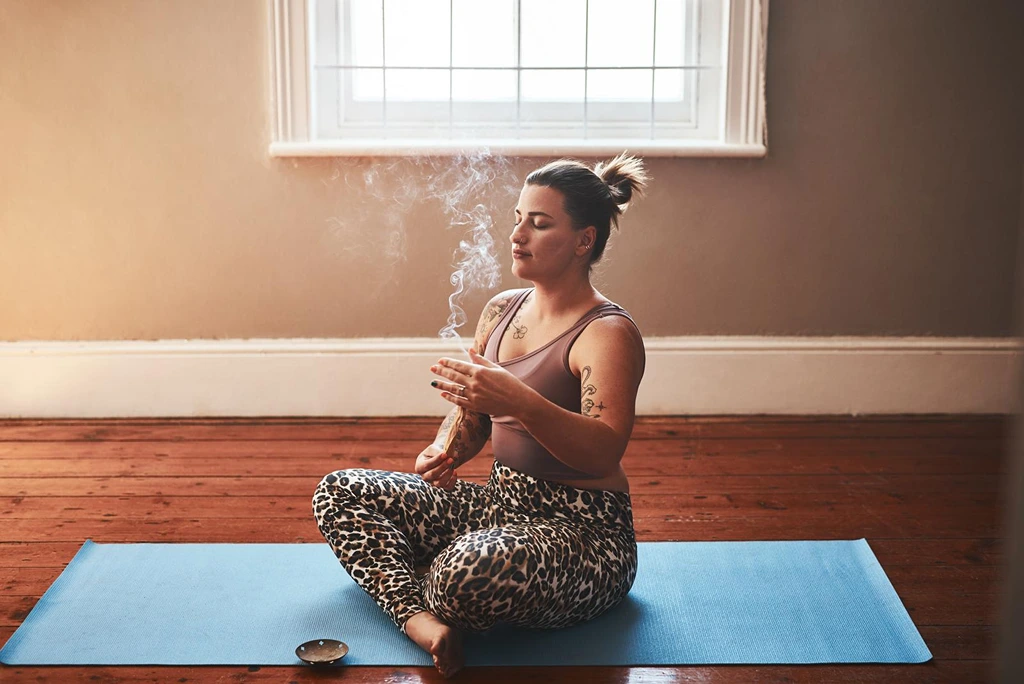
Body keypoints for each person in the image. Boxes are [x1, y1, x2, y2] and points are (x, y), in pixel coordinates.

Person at [312, 153, 648, 678]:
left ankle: (418, 582)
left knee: (466, 573)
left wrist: (518, 399)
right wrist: (444, 447)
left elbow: (604, 448)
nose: (518, 234)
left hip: (583, 533)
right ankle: (420, 616)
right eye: (517, 219)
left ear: (584, 240)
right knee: (340, 491)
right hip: (500, 504)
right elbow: (472, 418)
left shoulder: (608, 333)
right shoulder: (501, 310)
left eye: (539, 224)